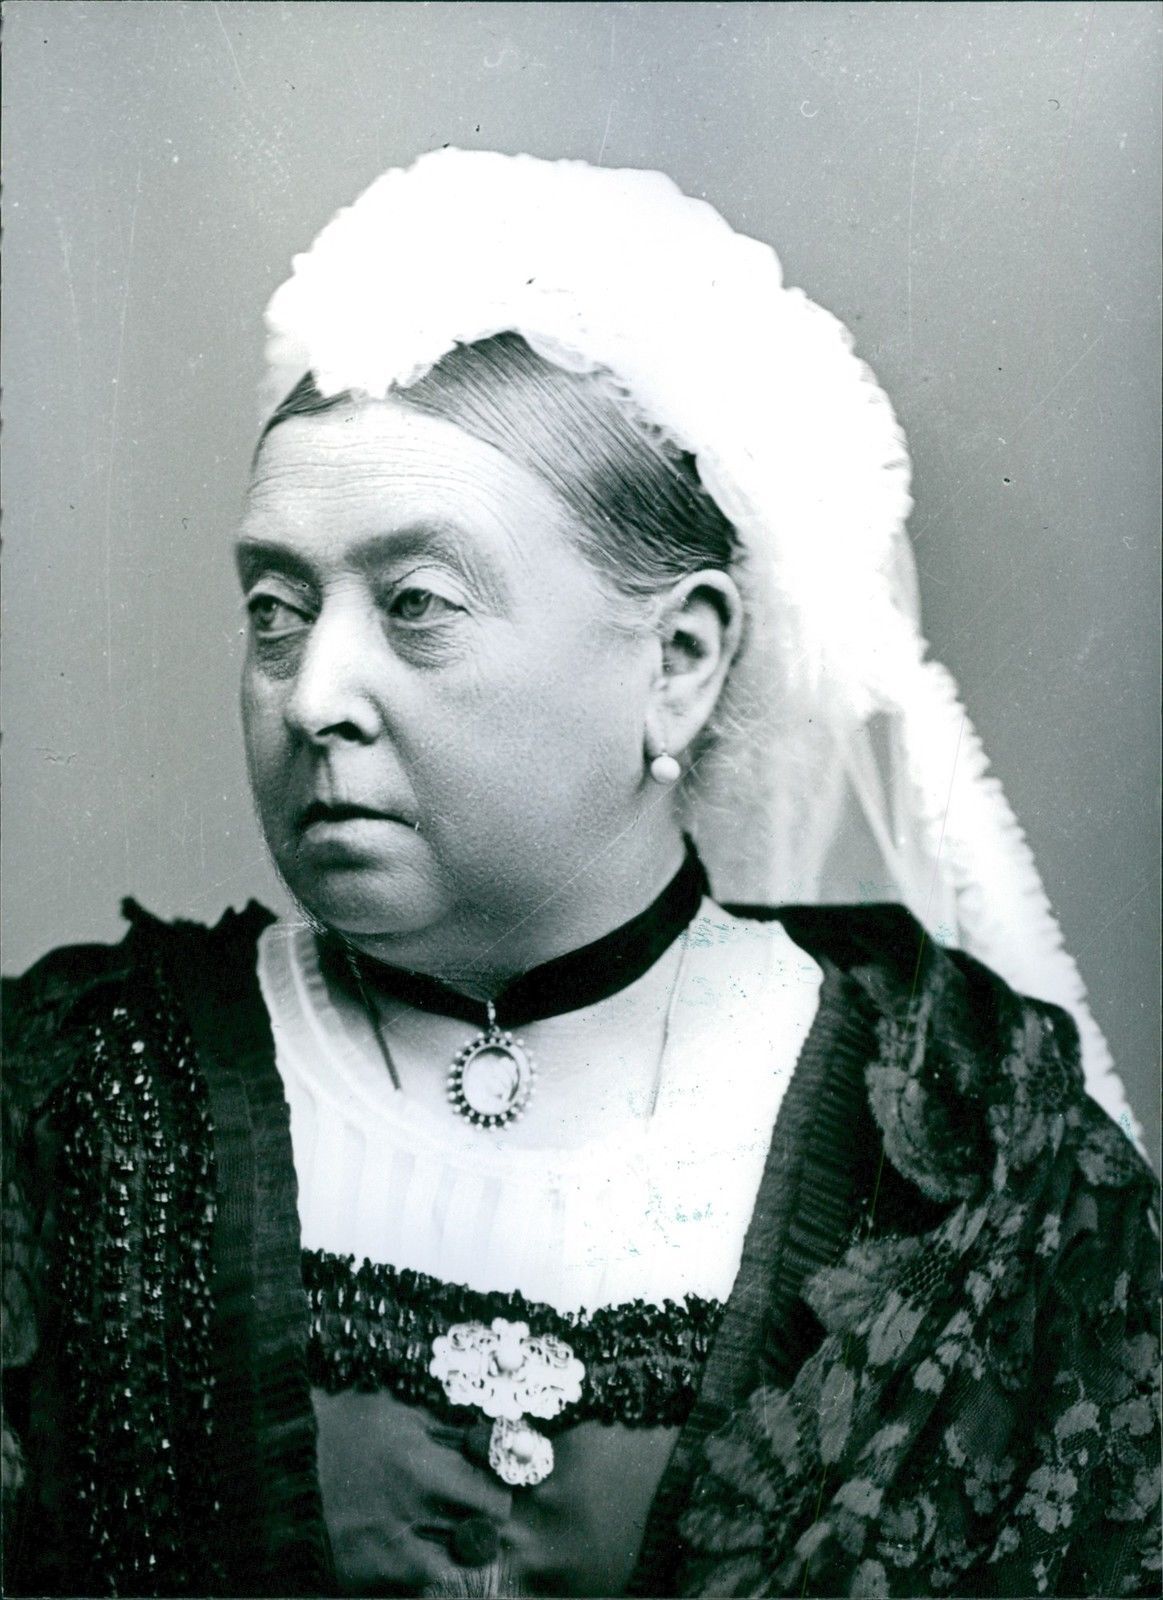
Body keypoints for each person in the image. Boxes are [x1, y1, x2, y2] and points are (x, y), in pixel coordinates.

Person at [2, 150, 1157, 1600]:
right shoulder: (74, 1090)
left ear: (679, 661)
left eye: (417, 604)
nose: (314, 697)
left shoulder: (964, 1135)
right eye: (277, 609)